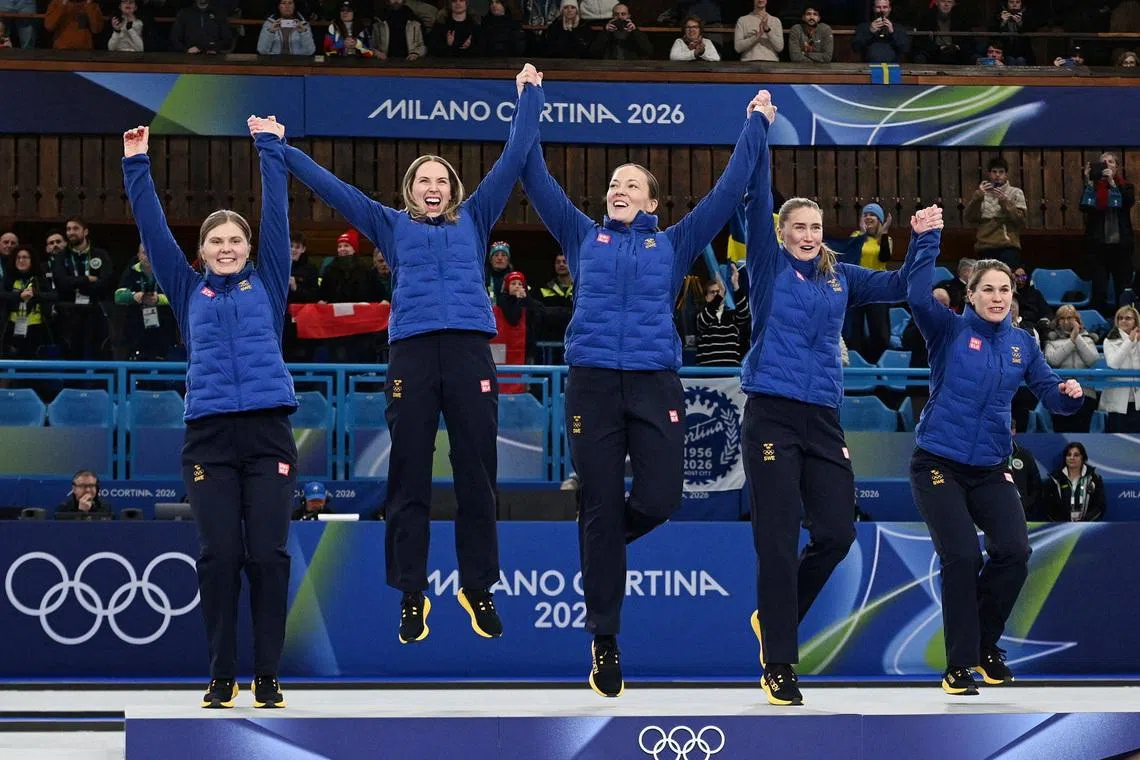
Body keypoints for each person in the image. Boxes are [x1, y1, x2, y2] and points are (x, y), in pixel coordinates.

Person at [278, 64, 545, 647]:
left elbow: (516, 152)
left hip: (471, 353)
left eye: (441, 179)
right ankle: (411, 593)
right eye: (423, 178)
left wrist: (529, 93)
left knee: (478, 473)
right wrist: (282, 147)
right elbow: (333, 189)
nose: (433, 185)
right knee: (408, 476)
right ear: (410, 190)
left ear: (452, 189)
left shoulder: (476, 216)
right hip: (413, 356)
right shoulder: (390, 224)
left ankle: (478, 587)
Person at [522, 88, 774, 698]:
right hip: (591, 385)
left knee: (658, 499)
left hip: (654, 380)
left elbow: (729, 188)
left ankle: (600, 540)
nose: (619, 190)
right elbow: (531, 173)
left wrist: (755, 124)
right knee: (602, 504)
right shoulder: (582, 236)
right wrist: (527, 100)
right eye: (614, 183)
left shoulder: (676, 243)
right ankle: (604, 644)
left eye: (632, 185)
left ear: (654, 201)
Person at [122, 116, 298, 710]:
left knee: (268, 555)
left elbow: (278, 215)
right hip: (209, 441)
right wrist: (136, 163)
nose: (227, 248)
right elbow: (151, 224)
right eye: (216, 242)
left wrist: (269, 147)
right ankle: (223, 673)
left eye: (235, 241)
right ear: (201, 253)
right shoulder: (185, 287)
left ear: (250, 250)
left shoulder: (270, 283)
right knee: (220, 555)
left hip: (269, 434)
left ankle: (268, 674)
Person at [740, 179, 922, 706]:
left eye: (816, 227)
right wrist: (759, 130)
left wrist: (923, 238)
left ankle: (776, 615)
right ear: (781, 232)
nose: (808, 234)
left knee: (837, 533)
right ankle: (779, 662)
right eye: (798, 226)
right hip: (771, 413)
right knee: (774, 541)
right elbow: (754, 203)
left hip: (822, 417)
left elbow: (901, 286)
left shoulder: (841, 275)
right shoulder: (767, 267)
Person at [903, 215, 1083, 697]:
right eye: (988, 289)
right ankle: (959, 664)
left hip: (989, 468)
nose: (998, 296)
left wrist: (1069, 394)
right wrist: (925, 240)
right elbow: (918, 296)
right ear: (971, 294)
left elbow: (1051, 392)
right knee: (961, 554)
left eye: (1005, 289)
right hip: (937, 463)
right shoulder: (947, 330)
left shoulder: (1024, 343)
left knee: (1014, 551)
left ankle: (984, 645)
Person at [1100, 305, 1140, 432]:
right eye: (1120, 318)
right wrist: (1130, 341)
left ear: (1136, 321)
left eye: (1128, 318)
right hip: (1118, 402)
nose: (1123, 321)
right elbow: (1114, 363)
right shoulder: (1109, 341)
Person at [1043, 442, 1106, 522]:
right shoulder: (1054, 480)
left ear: (1083, 458)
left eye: (1076, 455)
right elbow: (1047, 508)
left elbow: (1100, 506)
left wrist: (1084, 523)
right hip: (1061, 528)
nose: (1071, 458)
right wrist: (1063, 524)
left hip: (1087, 527)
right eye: (1069, 455)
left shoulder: (1094, 479)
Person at [1008, 421, 1043, 520]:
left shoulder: (1024, 456)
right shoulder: (990, 457)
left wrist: (1025, 504)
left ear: (1013, 431)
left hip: (1022, 513)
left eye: (1007, 429)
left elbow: (1036, 487)